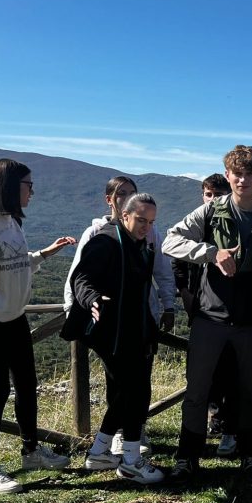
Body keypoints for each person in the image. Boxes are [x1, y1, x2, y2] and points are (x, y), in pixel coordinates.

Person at [163, 145, 252, 481]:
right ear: (228, 175)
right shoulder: (211, 212)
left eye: (249, 174)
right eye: (237, 174)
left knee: (249, 391)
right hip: (210, 319)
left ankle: (250, 454)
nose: (242, 180)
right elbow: (170, 241)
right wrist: (211, 253)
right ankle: (188, 456)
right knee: (198, 390)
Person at [0, 158, 75, 494]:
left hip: (15, 317)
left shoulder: (12, 222)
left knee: (27, 385)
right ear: (8, 185)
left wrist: (47, 253)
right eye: (28, 185)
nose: (32, 191)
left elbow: (17, 263)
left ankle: (31, 450)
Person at [64, 175, 175, 455]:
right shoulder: (105, 240)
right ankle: (130, 457)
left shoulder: (143, 245)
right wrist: (90, 300)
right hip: (113, 331)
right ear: (124, 213)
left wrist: (164, 308)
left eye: (150, 222)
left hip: (137, 328)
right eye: (141, 221)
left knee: (130, 391)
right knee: (132, 390)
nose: (146, 227)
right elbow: (80, 278)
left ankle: (101, 452)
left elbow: (155, 278)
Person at [171, 173, 239, 456]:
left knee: (230, 371)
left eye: (217, 194)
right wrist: (186, 295)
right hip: (201, 313)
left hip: (229, 314)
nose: (212, 200)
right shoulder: (196, 227)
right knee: (201, 376)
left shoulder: (233, 228)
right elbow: (178, 261)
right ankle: (203, 430)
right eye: (208, 194)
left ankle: (226, 427)